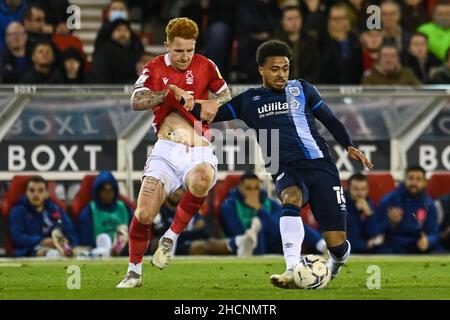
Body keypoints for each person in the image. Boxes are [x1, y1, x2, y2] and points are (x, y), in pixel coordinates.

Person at [189, 40, 373, 288]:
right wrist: (183, 100)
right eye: (274, 69)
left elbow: (330, 119)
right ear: (261, 70)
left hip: (320, 166)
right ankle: (291, 268)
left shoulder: (303, 89)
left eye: (285, 68)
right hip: (285, 167)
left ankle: (335, 264)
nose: (281, 74)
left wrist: (349, 145)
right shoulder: (249, 100)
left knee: (336, 243)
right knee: (290, 197)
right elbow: (207, 114)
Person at [116, 17, 231, 288]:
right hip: (166, 149)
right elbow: (136, 100)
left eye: (189, 50)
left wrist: (212, 103)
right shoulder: (154, 68)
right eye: (178, 50)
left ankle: (170, 236)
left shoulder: (207, 65)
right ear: (166, 45)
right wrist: (168, 93)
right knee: (144, 214)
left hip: (198, 148)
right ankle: (133, 272)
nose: (184, 56)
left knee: (202, 178)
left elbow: (226, 95)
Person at [220, 173, 327, 255]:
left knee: (289, 221)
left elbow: (277, 227)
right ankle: (255, 230)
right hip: (243, 244)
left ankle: (323, 246)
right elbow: (236, 231)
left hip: (273, 242)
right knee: (258, 225)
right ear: (240, 188)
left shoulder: (268, 203)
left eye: (256, 188)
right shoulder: (229, 206)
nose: (253, 192)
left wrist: (259, 209)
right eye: (248, 188)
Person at [152, 188, 259, 257]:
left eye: (180, 190)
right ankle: (237, 245)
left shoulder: (189, 209)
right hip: (164, 245)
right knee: (161, 242)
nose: (177, 193)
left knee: (207, 244)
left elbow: (204, 231)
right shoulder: (158, 208)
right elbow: (162, 232)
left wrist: (179, 234)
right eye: (174, 189)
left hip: (184, 244)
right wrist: (190, 232)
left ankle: (240, 243)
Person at [8, 176, 78, 257]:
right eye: (31, 190)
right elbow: (17, 238)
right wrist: (41, 241)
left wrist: (67, 240)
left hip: (59, 249)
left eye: (40, 190)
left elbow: (72, 233)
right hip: (31, 252)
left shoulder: (56, 209)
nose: (36, 194)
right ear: (26, 193)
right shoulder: (18, 211)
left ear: (47, 193)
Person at [376, 165, 440, 254]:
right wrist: (390, 223)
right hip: (392, 248)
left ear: (425, 183)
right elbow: (375, 231)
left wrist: (428, 241)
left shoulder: (429, 204)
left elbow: (434, 233)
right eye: (411, 178)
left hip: (417, 247)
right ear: (404, 180)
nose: (414, 183)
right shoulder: (388, 200)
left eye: (418, 179)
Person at [78, 172, 134, 257]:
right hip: (97, 249)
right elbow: (85, 241)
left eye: (111, 190)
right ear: (98, 191)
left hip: (126, 249)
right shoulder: (89, 211)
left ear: (115, 192)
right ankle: (111, 250)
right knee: (104, 239)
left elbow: (137, 230)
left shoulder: (124, 208)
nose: (108, 194)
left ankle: (118, 247)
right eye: (104, 190)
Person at [273, 5, 320, 83]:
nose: (294, 22)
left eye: (297, 18)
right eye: (290, 19)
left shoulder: (311, 41)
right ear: (282, 21)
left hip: (307, 86)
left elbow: (316, 69)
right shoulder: (275, 44)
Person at [319, 3, 363, 84]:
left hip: (354, 89)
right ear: (329, 21)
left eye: (341, 18)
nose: (338, 22)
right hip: (329, 89)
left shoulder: (355, 41)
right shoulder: (322, 42)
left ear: (348, 20)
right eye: (334, 19)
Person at [92, 19, 143, 83]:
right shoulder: (103, 51)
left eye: (125, 30)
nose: (122, 33)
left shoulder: (136, 49)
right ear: (111, 33)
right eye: (118, 30)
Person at [345, 173, 384, 253]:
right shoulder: (341, 206)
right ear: (349, 189)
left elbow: (376, 236)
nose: (360, 193)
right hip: (347, 252)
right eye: (356, 189)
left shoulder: (369, 204)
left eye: (363, 189)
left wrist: (368, 214)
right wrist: (366, 244)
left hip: (367, 251)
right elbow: (343, 239)